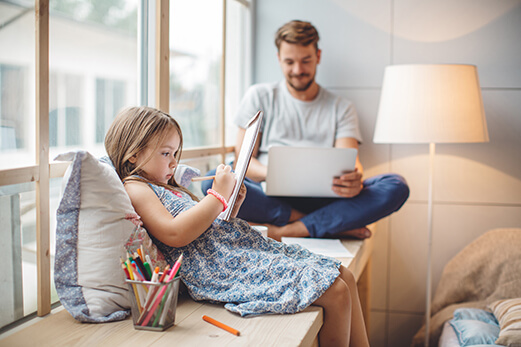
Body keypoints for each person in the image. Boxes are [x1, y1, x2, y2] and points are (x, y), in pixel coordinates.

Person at [104, 106, 370, 346]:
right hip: (221, 269)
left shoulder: (166, 187)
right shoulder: (136, 187)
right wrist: (217, 196)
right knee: (335, 291)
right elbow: (175, 234)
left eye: (175, 153)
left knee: (343, 275)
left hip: (237, 251)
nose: (174, 162)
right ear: (133, 155)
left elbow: (203, 228)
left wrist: (231, 204)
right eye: (165, 153)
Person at [202, 20, 409, 241]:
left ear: (318, 56)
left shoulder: (341, 107)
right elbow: (244, 162)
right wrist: (275, 173)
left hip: (325, 197)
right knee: (211, 180)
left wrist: (353, 181)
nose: (298, 70)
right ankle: (326, 223)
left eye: (306, 61)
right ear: (279, 59)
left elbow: (351, 163)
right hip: (269, 193)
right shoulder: (259, 96)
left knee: (395, 186)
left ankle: (285, 230)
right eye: (289, 62)